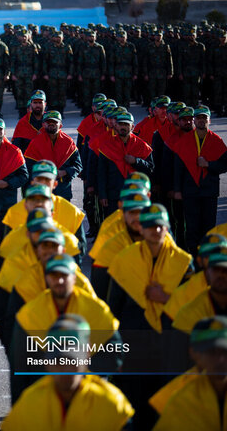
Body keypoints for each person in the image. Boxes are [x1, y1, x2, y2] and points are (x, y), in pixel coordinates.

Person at [107, 203, 192, 428]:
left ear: (167, 228)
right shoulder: (124, 259)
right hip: (134, 344)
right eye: (150, 226)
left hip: (170, 345)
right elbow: (112, 309)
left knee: (166, 411)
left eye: (160, 226)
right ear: (141, 230)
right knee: (135, 408)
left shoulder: (183, 263)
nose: (155, 230)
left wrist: (166, 299)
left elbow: (195, 308)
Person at [10, 253, 121, 402]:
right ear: (47, 279)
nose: (59, 280)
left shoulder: (95, 309)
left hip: (86, 392)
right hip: (43, 392)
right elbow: (19, 365)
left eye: (64, 275)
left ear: (74, 278)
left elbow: (115, 354)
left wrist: (77, 370)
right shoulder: (30, 313)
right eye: (54, 275)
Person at [2, 316, 134, 430]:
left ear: (87, 357)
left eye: (72, 361)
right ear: (47, 363)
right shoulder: (27, 406)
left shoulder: (112, 405)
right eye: (58, 362)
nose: (65, 370)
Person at [173, 106, 227, 255]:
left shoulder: (216, 141)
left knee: (208, 227)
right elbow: (178, 168)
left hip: (209, 191)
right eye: (198, 118)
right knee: (192, 227)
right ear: (194, 120)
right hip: (190, 191)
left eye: (204, 118)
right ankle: (193, 259)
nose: (201, 120)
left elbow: (225, 163)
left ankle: (207, 258)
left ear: (209, 120)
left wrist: (209, 165)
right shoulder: (185, 141)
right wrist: (177, 190)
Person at [97, 111, 154, 215]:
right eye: (120, 124)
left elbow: (151, 168)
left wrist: (136, 161)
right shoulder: (106, 146)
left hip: (137, 194)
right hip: (114, 195)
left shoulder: (142, 146)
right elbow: (101, 173)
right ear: (115, 126)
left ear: (132, 126)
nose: (123, 127)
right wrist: (103, 195)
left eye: (126, 124)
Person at [24, 111, 82, 201]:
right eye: (48, 122)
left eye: (54, 122)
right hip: (42, 192)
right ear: (43, 124)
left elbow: (78, 166)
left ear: (60, 124)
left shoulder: (68, 142)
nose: (51, 124)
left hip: (63, 191)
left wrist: (65, 172)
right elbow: (28, 169)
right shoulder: (35, 143)